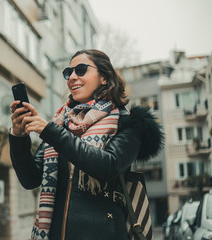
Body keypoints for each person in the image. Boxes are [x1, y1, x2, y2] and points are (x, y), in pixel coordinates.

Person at [9, 49, 164, 240]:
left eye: (81, 70)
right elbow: (30, 179)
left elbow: (109, 165)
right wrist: (18, 136)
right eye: (68, 72)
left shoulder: (127, 122)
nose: (72, 77)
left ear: (104, 77)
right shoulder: (61, 123)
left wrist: (51, 132)